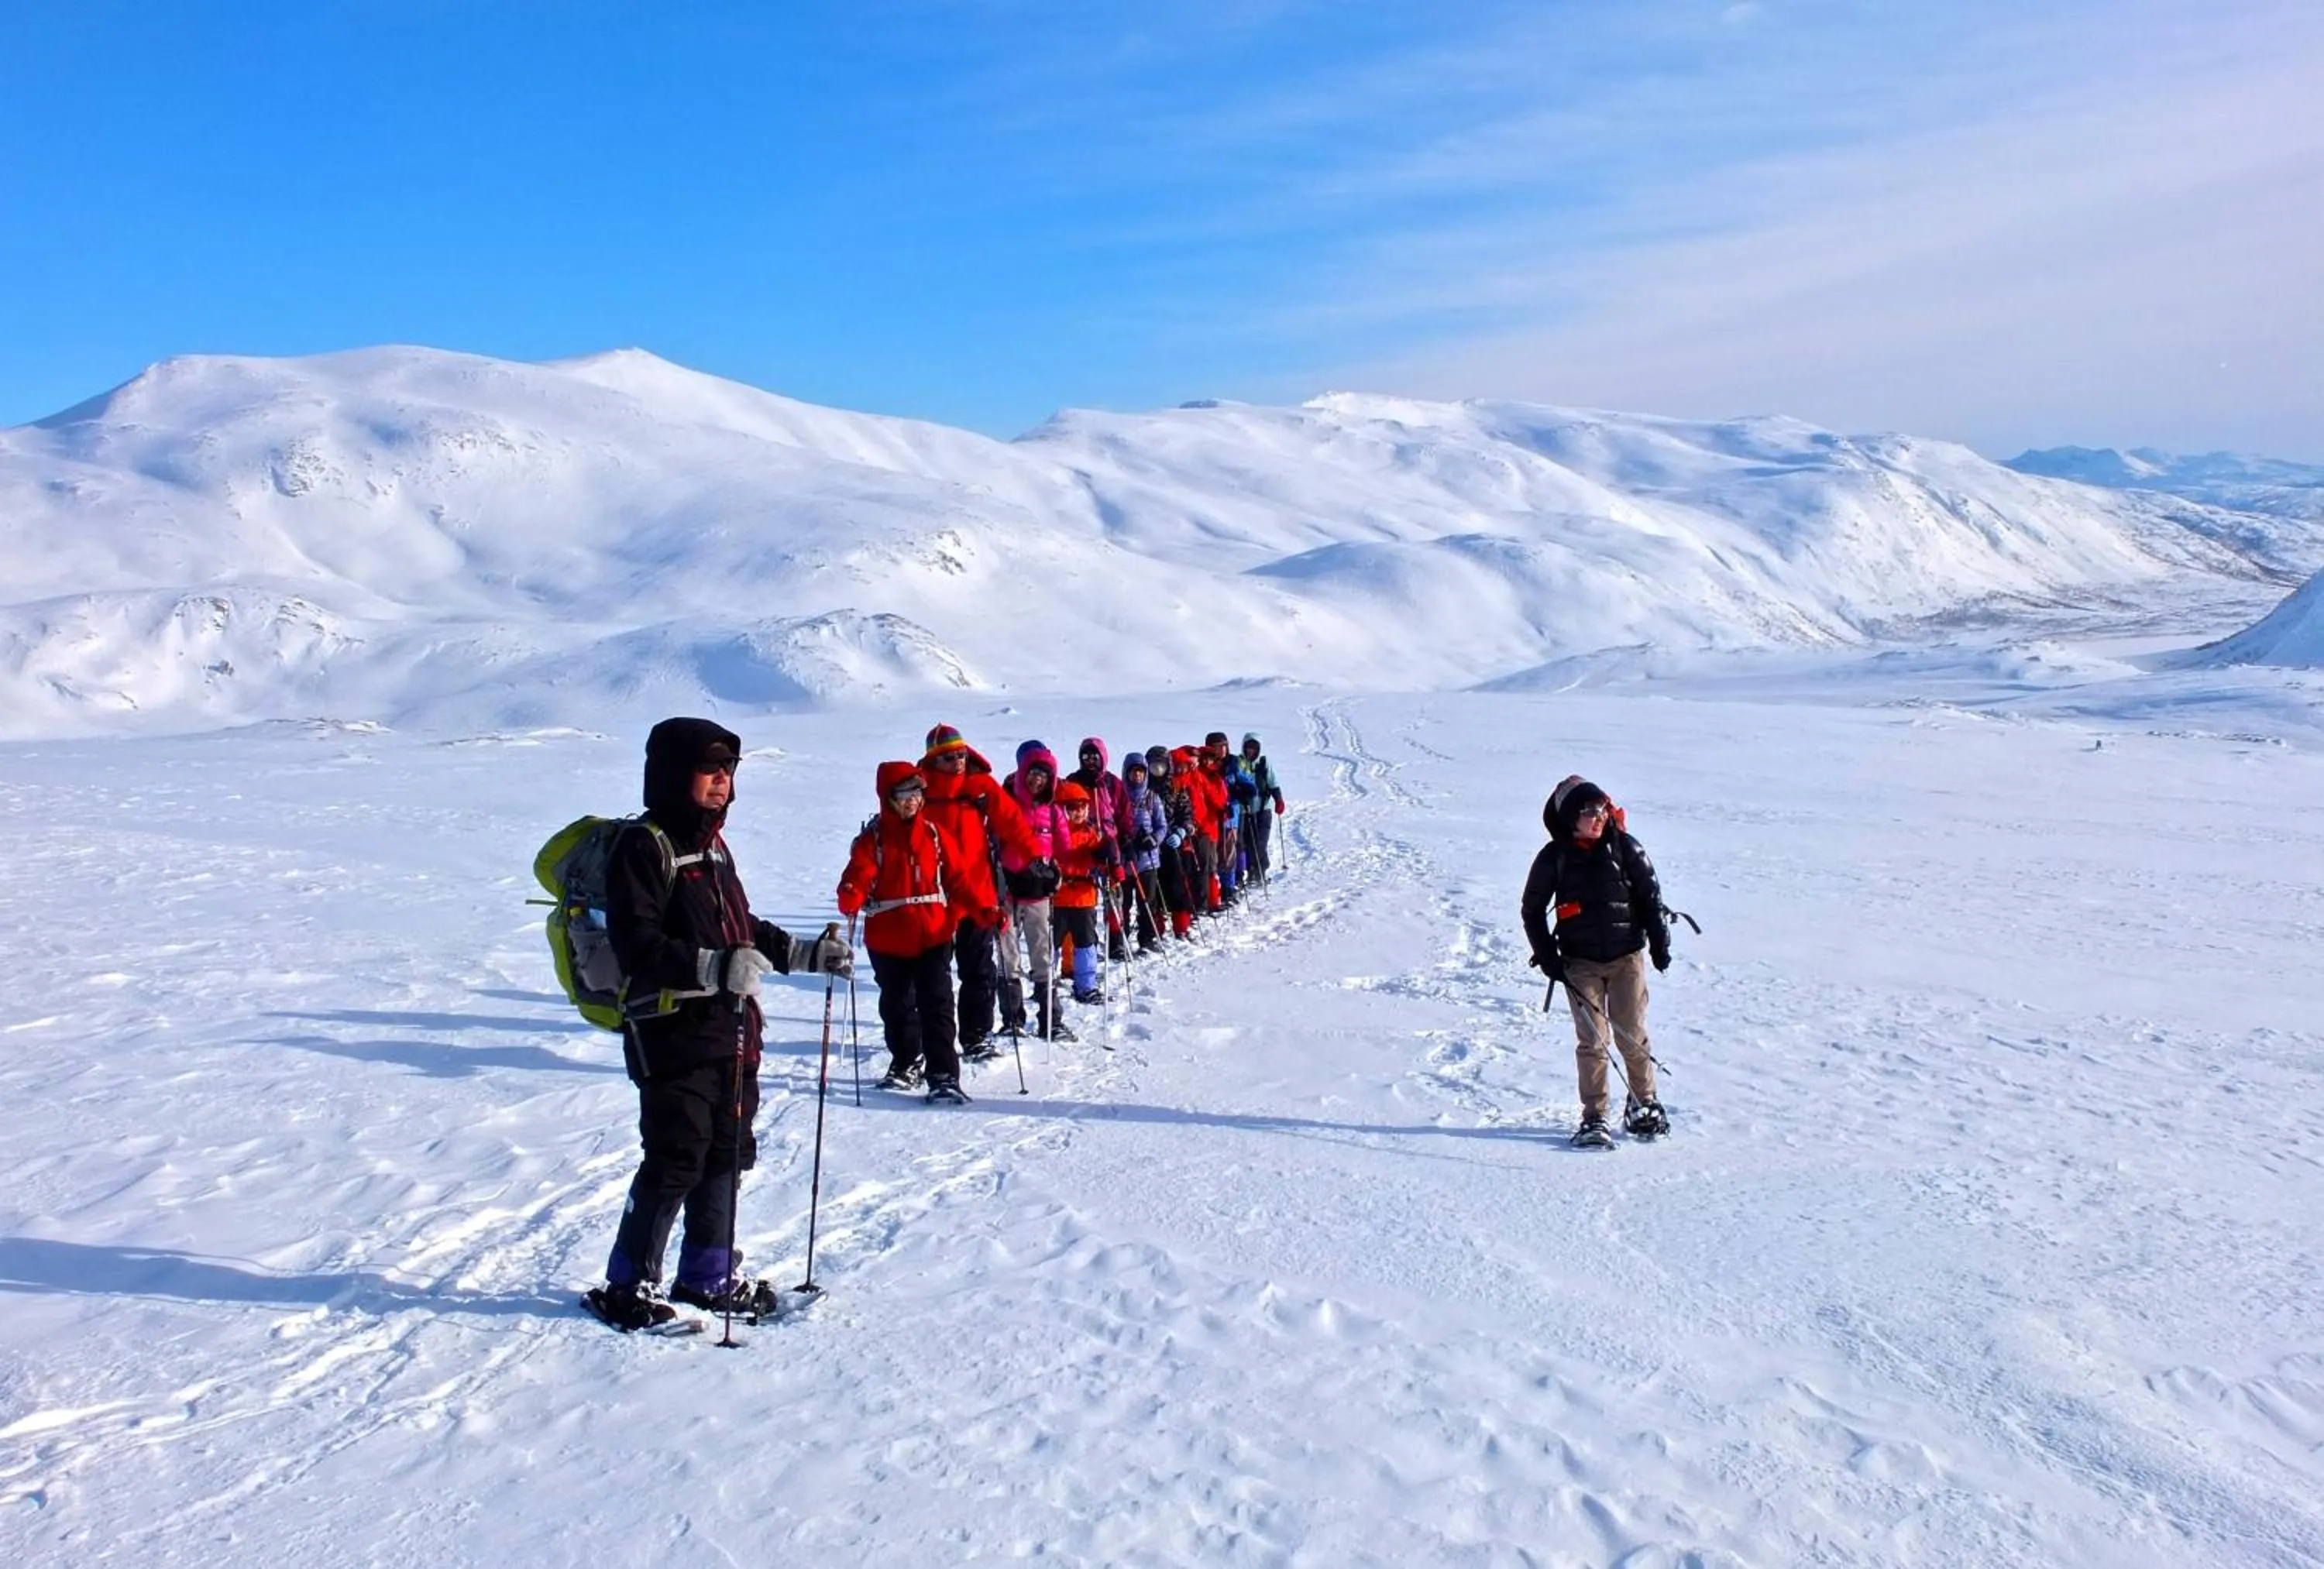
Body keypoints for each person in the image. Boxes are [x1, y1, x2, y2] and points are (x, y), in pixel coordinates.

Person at [590, 718, 853, 1331]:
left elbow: (740, 928)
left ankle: (707, 1274)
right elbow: (638, 946)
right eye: (710, 770)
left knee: (726, 1155)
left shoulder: (712, 846)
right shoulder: (645, 846)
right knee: (675, 1157)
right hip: (670, 1030)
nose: (721, 782)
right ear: (676, 773)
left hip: (730, 1029)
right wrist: (714, 966)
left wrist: (805, 954)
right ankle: (627, 1285)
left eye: (729, 771)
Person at [1519, 775, 1671, 1148]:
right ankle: (1594, 1118)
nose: (1599, 816)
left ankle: (1644, 1104)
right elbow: (1532, 910)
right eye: (1590, 811)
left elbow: (1651, 898)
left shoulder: (1625, 847)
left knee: (1631, 1033)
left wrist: (1659, 943)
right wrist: (1548, 956)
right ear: (1572, 816)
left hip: (1626, 959)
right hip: (1579, 964)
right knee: (1593, 1042)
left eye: (1602, 809)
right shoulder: (1554, 858)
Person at [837, 761, 971, 1103]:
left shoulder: (935, 836)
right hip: (888, 938)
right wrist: (851, 892)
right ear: (888, 797)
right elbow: (859, 873)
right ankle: (906, 1062)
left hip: (934, 933)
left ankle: (943, 1076)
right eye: (904, 794)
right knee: (896, 1005)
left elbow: (959, 880)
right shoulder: (873, 840)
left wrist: (983, 909)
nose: (912, 801)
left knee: (937, 1004)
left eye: (917, 793)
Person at [917, 723, 1039, 1061]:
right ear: (933, 760)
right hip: (933, 896)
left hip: (978, 892)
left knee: (979, 972)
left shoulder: (980, 787)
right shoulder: (918, 789)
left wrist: (1035, 859)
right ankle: (936, 1043)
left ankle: (976, 1036)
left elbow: (1012, 823)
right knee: (934, 977)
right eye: (948, 757)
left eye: (961, 754)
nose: (957, 761)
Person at [997, 740, 1073, 1042]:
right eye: (1033, 772)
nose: (1036, 779)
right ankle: (1012, 1019)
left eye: (1043, 775)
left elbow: (1066, 848)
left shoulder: (1054, 812)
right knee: (1008, 956)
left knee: (1042, 956)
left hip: (1038, 893)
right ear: (1022, 771)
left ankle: (1050, 1020)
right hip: (1007, 891)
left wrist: (1055, 869)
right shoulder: (1005, 803)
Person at [1049, 779, 1112, 1004]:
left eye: (1083, 807)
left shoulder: (1091, 833)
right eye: (1073, 807)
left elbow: (1101, 862)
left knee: (1086, 944)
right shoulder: (1054, 835)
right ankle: (1046, 983)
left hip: (1084, 897)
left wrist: (1108, 857)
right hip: (1058, 897)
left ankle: (1086, 985)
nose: (1079, 812)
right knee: (1052, 944)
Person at [1119, 751, 1167, 952]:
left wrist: (1154, 840)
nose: (1137, 776)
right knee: (1123, 903)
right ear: (1127, 774)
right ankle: (1120, 939)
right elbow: (1113, 823)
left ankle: (1146, 938)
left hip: (1148, 860)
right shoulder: (1120, 797)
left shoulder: (1152, 798)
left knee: (1147, 902)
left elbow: (1162, 826)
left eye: (1141, 772)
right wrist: (1123, 840)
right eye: (1133, 772)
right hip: (1124, 860)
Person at [1238, 733, 1287, 884]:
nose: (1251, 751)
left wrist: (1278, 800)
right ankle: (1250, 871)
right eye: (1248, 748)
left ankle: (1260, 871)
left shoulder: (1264, 763)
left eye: (1254, 748)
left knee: (1260, 843)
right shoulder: (1239, 763)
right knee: (1245, 843)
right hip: (1244, 811)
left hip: (1262, 811)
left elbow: (1273, 783)